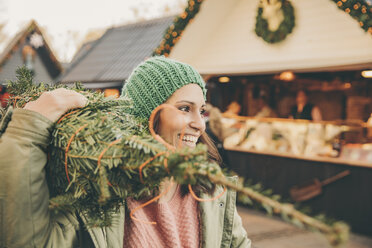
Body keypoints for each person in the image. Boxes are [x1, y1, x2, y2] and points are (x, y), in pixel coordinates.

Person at [0, 57, 251, 247]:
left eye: (201, 109)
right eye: (185, 108)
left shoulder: (210, 192)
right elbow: (27, 241)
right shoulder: (100, 193)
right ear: (146, 116)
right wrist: (28, 132)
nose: (200, 123)